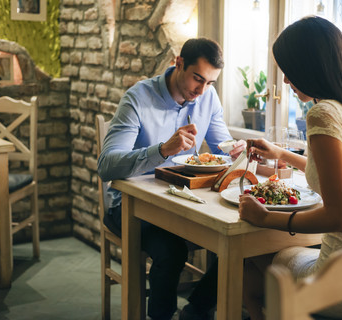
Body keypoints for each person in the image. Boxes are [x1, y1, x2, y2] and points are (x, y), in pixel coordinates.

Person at [238, 16, 342, 320]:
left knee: (247, 262)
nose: (285, 80)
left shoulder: (323, 113)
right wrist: (282, 153)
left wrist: (266, 216)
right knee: (264, 269)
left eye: (289, 70)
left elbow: (339, 217)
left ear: (310, 66)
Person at [97, 37, 245, 320]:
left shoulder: (207, 98)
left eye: (210, 83)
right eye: (197, 79)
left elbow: (221, 149)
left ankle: (197, 309)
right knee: (172, 251)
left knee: (235, 242)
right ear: (179, 63)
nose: (201, 91)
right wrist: (162, 150)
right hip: (128, 206)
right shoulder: (138, 98)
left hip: (181, 201)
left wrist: (235, 151)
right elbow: (106, 165)